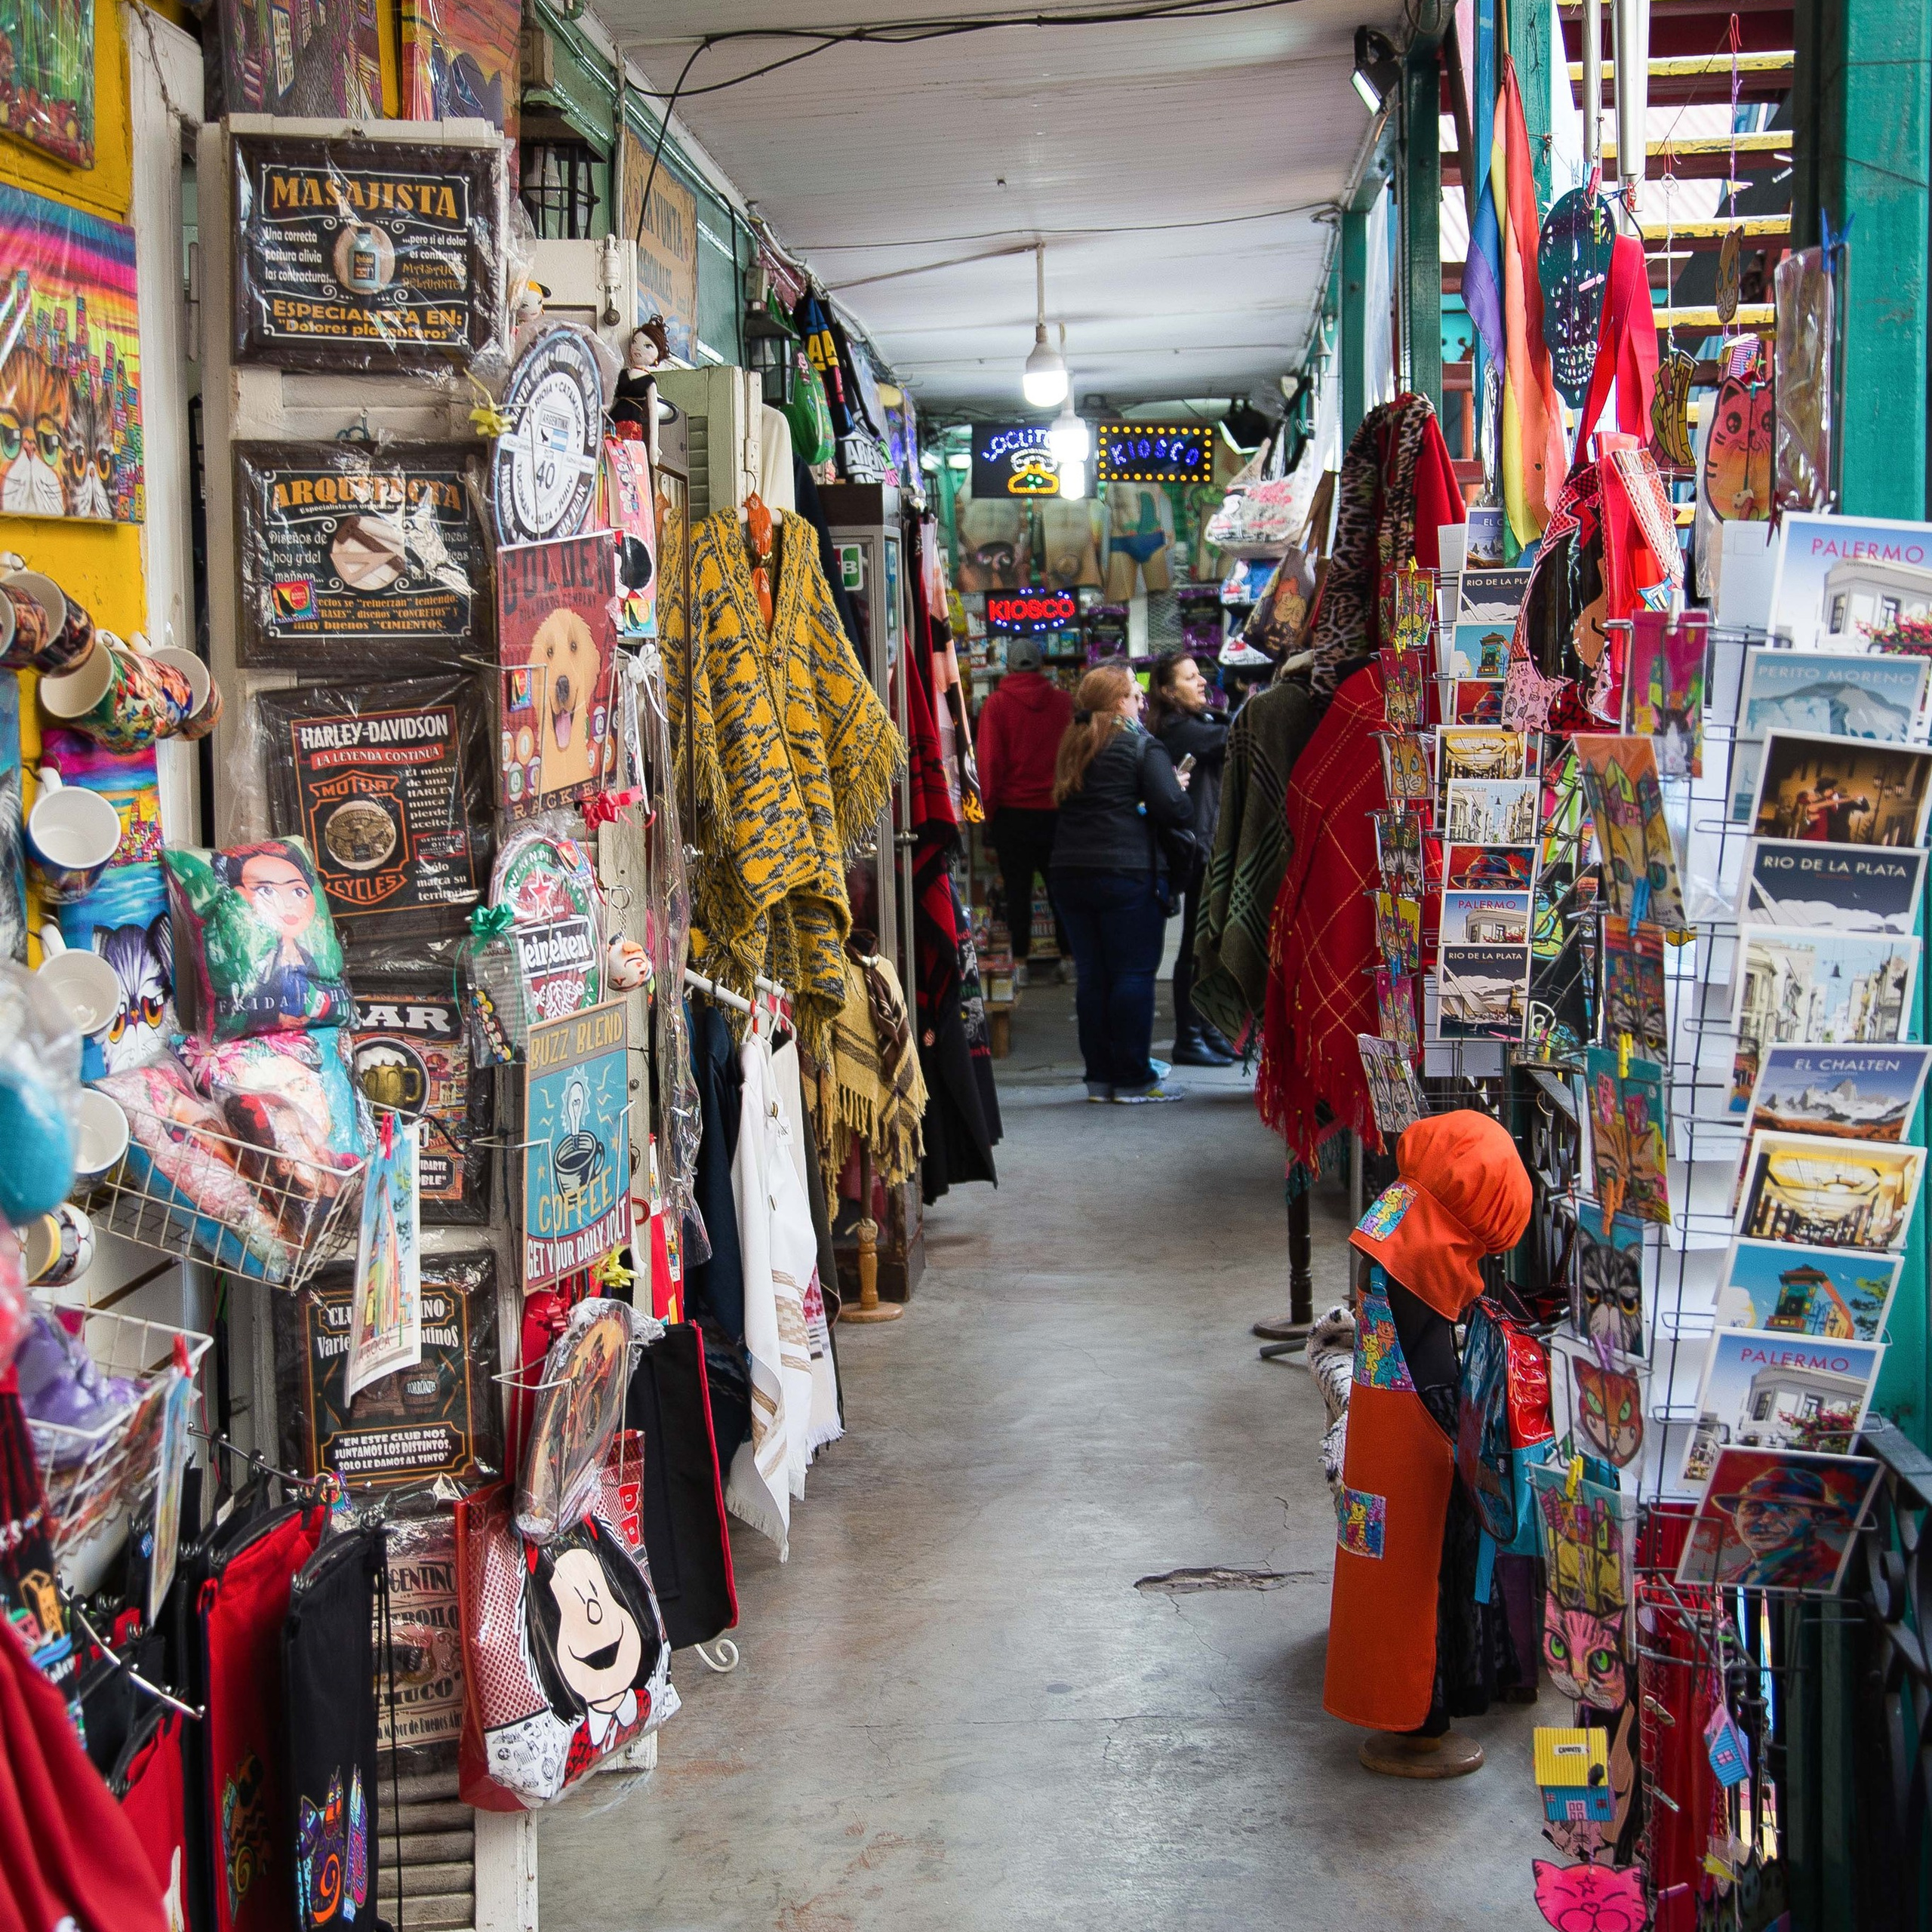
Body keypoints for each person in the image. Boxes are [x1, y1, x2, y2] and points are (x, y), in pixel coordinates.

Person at [1324, 1109, 1533, 1776]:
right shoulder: (1427, 1259)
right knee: (1430, 1579)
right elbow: (1428, 1349)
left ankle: (1402, 1704)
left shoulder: (1395, 1221)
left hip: (1382, 1438)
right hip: (1424, 1431)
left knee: (1388, 1576)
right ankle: (1422, 1719)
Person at [1048, 662, 1193, 1103]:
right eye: (1135, 692)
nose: (1141, 699)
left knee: (1093, 977)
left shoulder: (1073, 744)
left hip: (1070, 873)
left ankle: (1100, 1078)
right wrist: (1173, 787)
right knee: (1132, 976)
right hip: (1127, 874)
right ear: (1118, 702)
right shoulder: (1141, 746)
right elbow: (1175, 811)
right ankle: (1132, 1078)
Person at [1146, 651, 1235, 1066]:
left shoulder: (1196, 723)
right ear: (1167, 691)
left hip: (1209, 842)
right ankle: (1190, 1035)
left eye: (1201, 675)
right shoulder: (1178, 729)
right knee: (1197, 944)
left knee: (1210, 941)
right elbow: (1229, 737)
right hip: (1198, 847)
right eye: (1190, 677)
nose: (1202, 682)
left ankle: (1208, 1030)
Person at [974, 636, 1074, 984]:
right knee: (1062, 885)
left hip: (1012, 815)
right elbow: (1074, 756)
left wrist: (988, 814)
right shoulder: (1064, 703)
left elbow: (989, 765)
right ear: (1042, 665)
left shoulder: (997, 705)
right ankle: (1069, 958)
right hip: (1057, 811)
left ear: (1009, 666)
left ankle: (1019, 963)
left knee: (1017, 890)